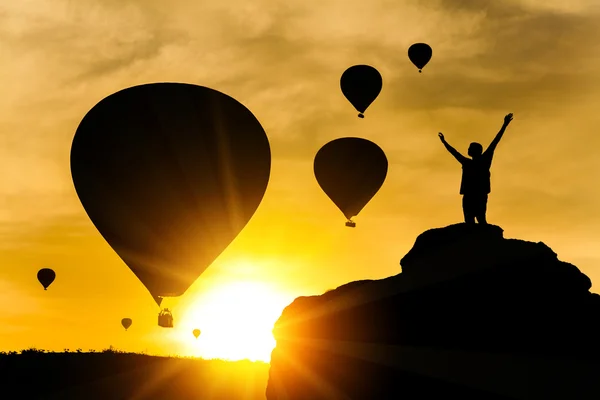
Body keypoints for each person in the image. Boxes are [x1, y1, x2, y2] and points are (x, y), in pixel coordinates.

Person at [438, 113, 514, 224]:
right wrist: (444, 142)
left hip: (478, 194)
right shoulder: (468, 162)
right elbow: (454, 153)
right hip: (469, 194)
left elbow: (495, 142)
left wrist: (504, 125)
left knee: (480, 218)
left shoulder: (484, 160)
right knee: (470, 220)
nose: (468, 149)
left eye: (470, 148)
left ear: (476, 151)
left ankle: (483, 238)